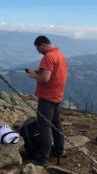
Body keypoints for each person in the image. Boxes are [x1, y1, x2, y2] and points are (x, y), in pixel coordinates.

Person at [22, 35, 67, 165]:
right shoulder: (59, 54)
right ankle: (59, 150)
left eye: (38, 49)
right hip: (57, 95)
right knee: (56, 124)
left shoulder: (48, 57)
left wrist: (33, 75)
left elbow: (45, 78)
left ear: (42, 45)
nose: (39, 52)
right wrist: (40, 71)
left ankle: (42, 158)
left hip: (47, 97)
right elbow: (54, 73)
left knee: (44, 127)